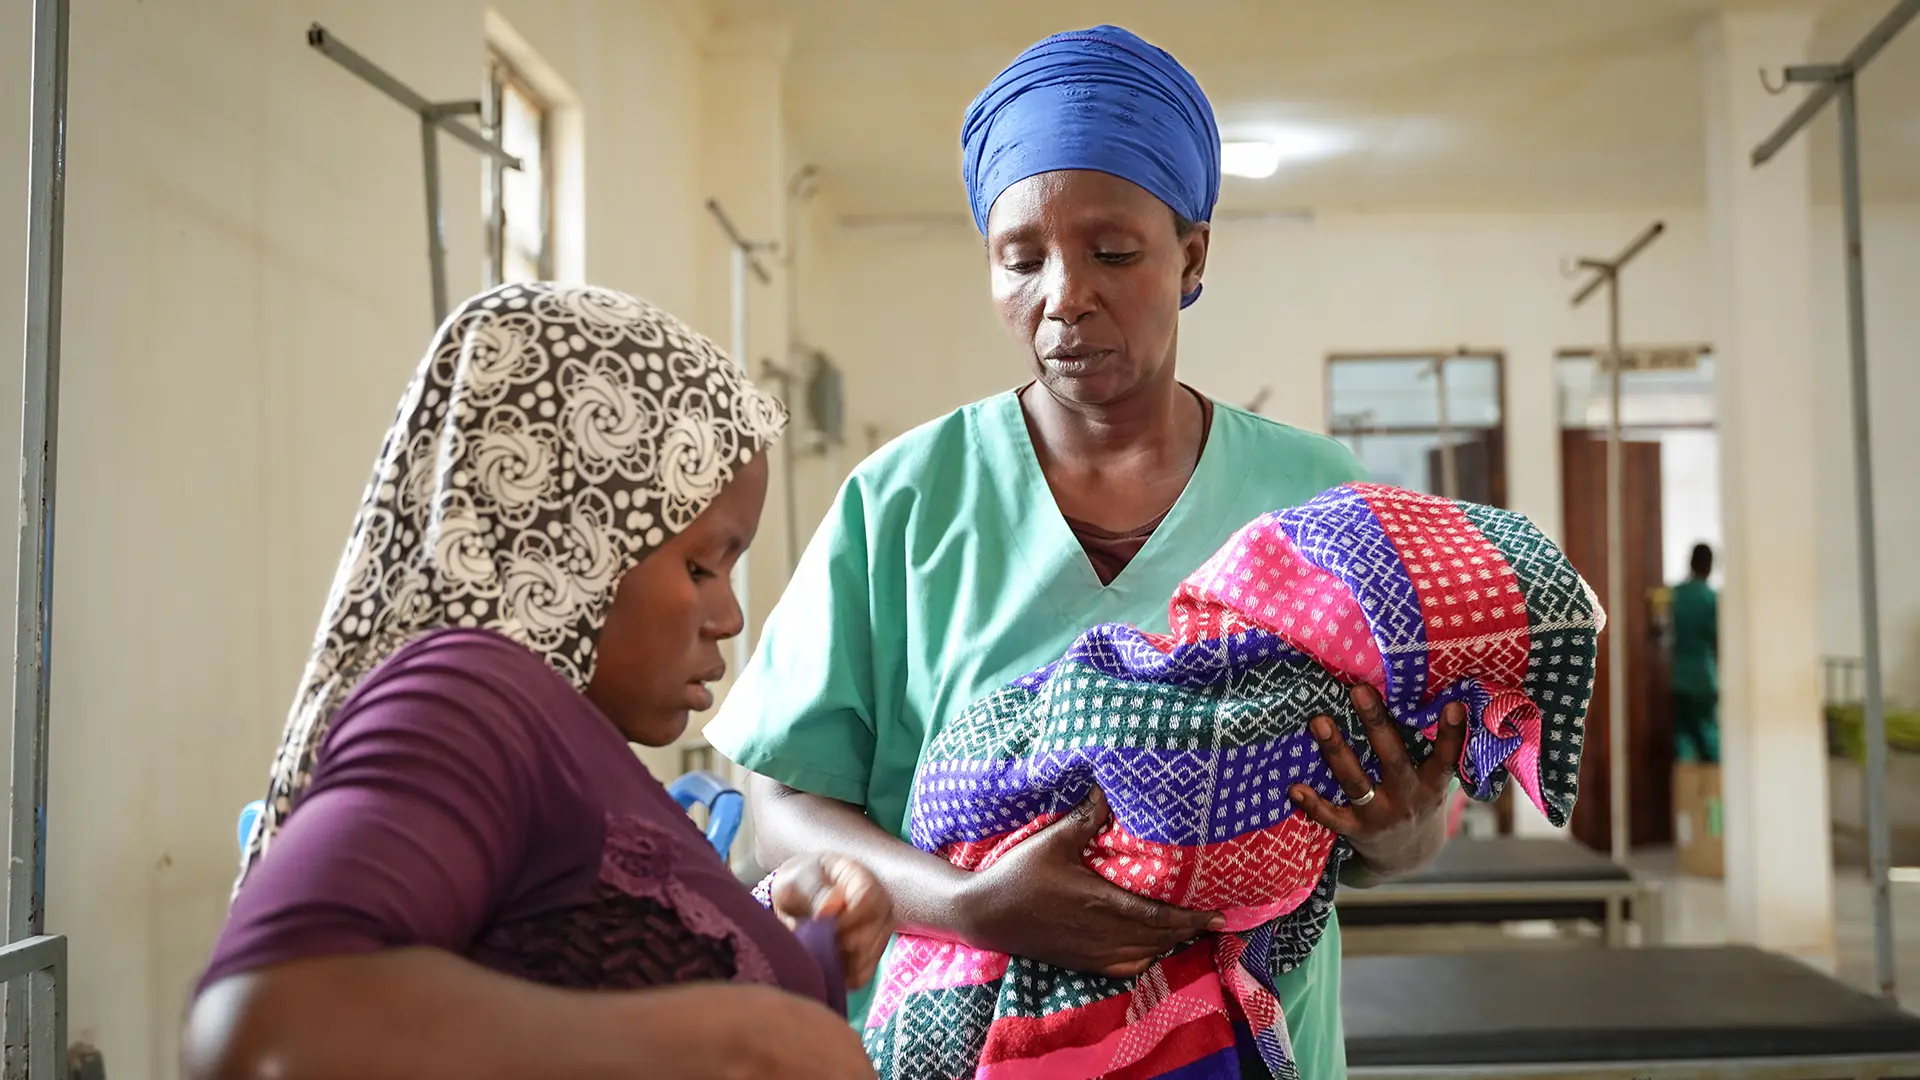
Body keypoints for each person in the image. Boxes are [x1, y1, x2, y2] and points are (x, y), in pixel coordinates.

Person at [706, 25, 1455, 1078]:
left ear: (1192, 255)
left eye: (1113, 253)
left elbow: (1409, 818)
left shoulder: (1316, 497)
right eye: (1021, 259)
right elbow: (780, 807)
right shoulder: (906, 501)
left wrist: (1402, 831)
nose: (1064, 295)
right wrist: (973, 907)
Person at [185, 283, 892, 1080]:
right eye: (701, 566)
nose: (729, 618)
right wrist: (738, 1038)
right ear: (567, 538)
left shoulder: (575, 750)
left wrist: (786, 934)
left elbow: (571, 975)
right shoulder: (464, 697)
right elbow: (270, 1029)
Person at [1671, 543, 1720, 765]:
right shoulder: (1711, 599)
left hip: (1678, 676)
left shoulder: (1675, 595)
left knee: (1682, 737)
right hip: (1704, 676)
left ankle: (1685, 779)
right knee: (1709, 737)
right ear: (1710, 566)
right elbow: (1718, 639)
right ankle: (1711, 782)